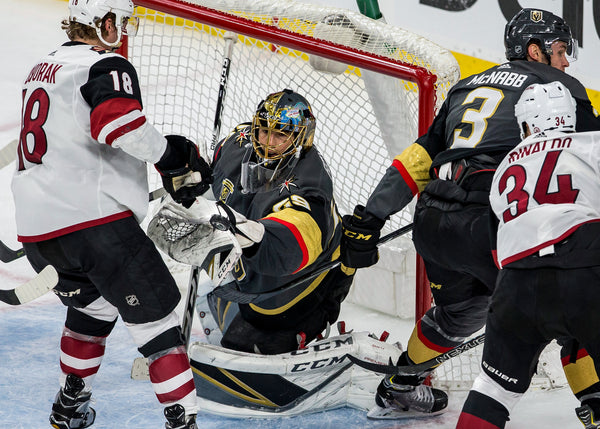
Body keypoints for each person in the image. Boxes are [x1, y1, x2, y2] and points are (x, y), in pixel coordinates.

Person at [340, 8, 600, 419]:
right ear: (535, 50)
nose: (566, 61)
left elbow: (418, 158)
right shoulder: (559, 87)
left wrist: (370, 218)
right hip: (492, 223)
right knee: (574, 300)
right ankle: (594, 407)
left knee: (456, 314)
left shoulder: (466, 85)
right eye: (560, 50)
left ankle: (401, 383)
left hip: (433, 224)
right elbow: (584, 158)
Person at [11, 1, 211, 428]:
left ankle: (69, 403)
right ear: (104, 23)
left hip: (37, 232)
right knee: (156, 320)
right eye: (119, 22)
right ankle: (184, 420)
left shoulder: (40, 67)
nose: (123, 32)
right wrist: (172, 157)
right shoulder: (105, 64)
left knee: (92, 308)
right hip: (94, 223)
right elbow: (117, 126)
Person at [156, 89, 353, 355]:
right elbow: (216, 183)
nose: (268, 142)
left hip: (305, 282)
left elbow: (291, 246)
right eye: (263, 131)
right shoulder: (238, 143)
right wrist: (195, 182)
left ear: (301, 137)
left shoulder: (310, 184)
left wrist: (241, 230)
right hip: (252, 274)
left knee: (251, 335)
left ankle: (305, 330)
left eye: (281, 135)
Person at [456, 82, 600, 428]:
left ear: (526, 125)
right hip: (584, 269)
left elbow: (497, 247)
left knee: (492, 390)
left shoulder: (505, 166)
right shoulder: (592, 143)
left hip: (516, 283)